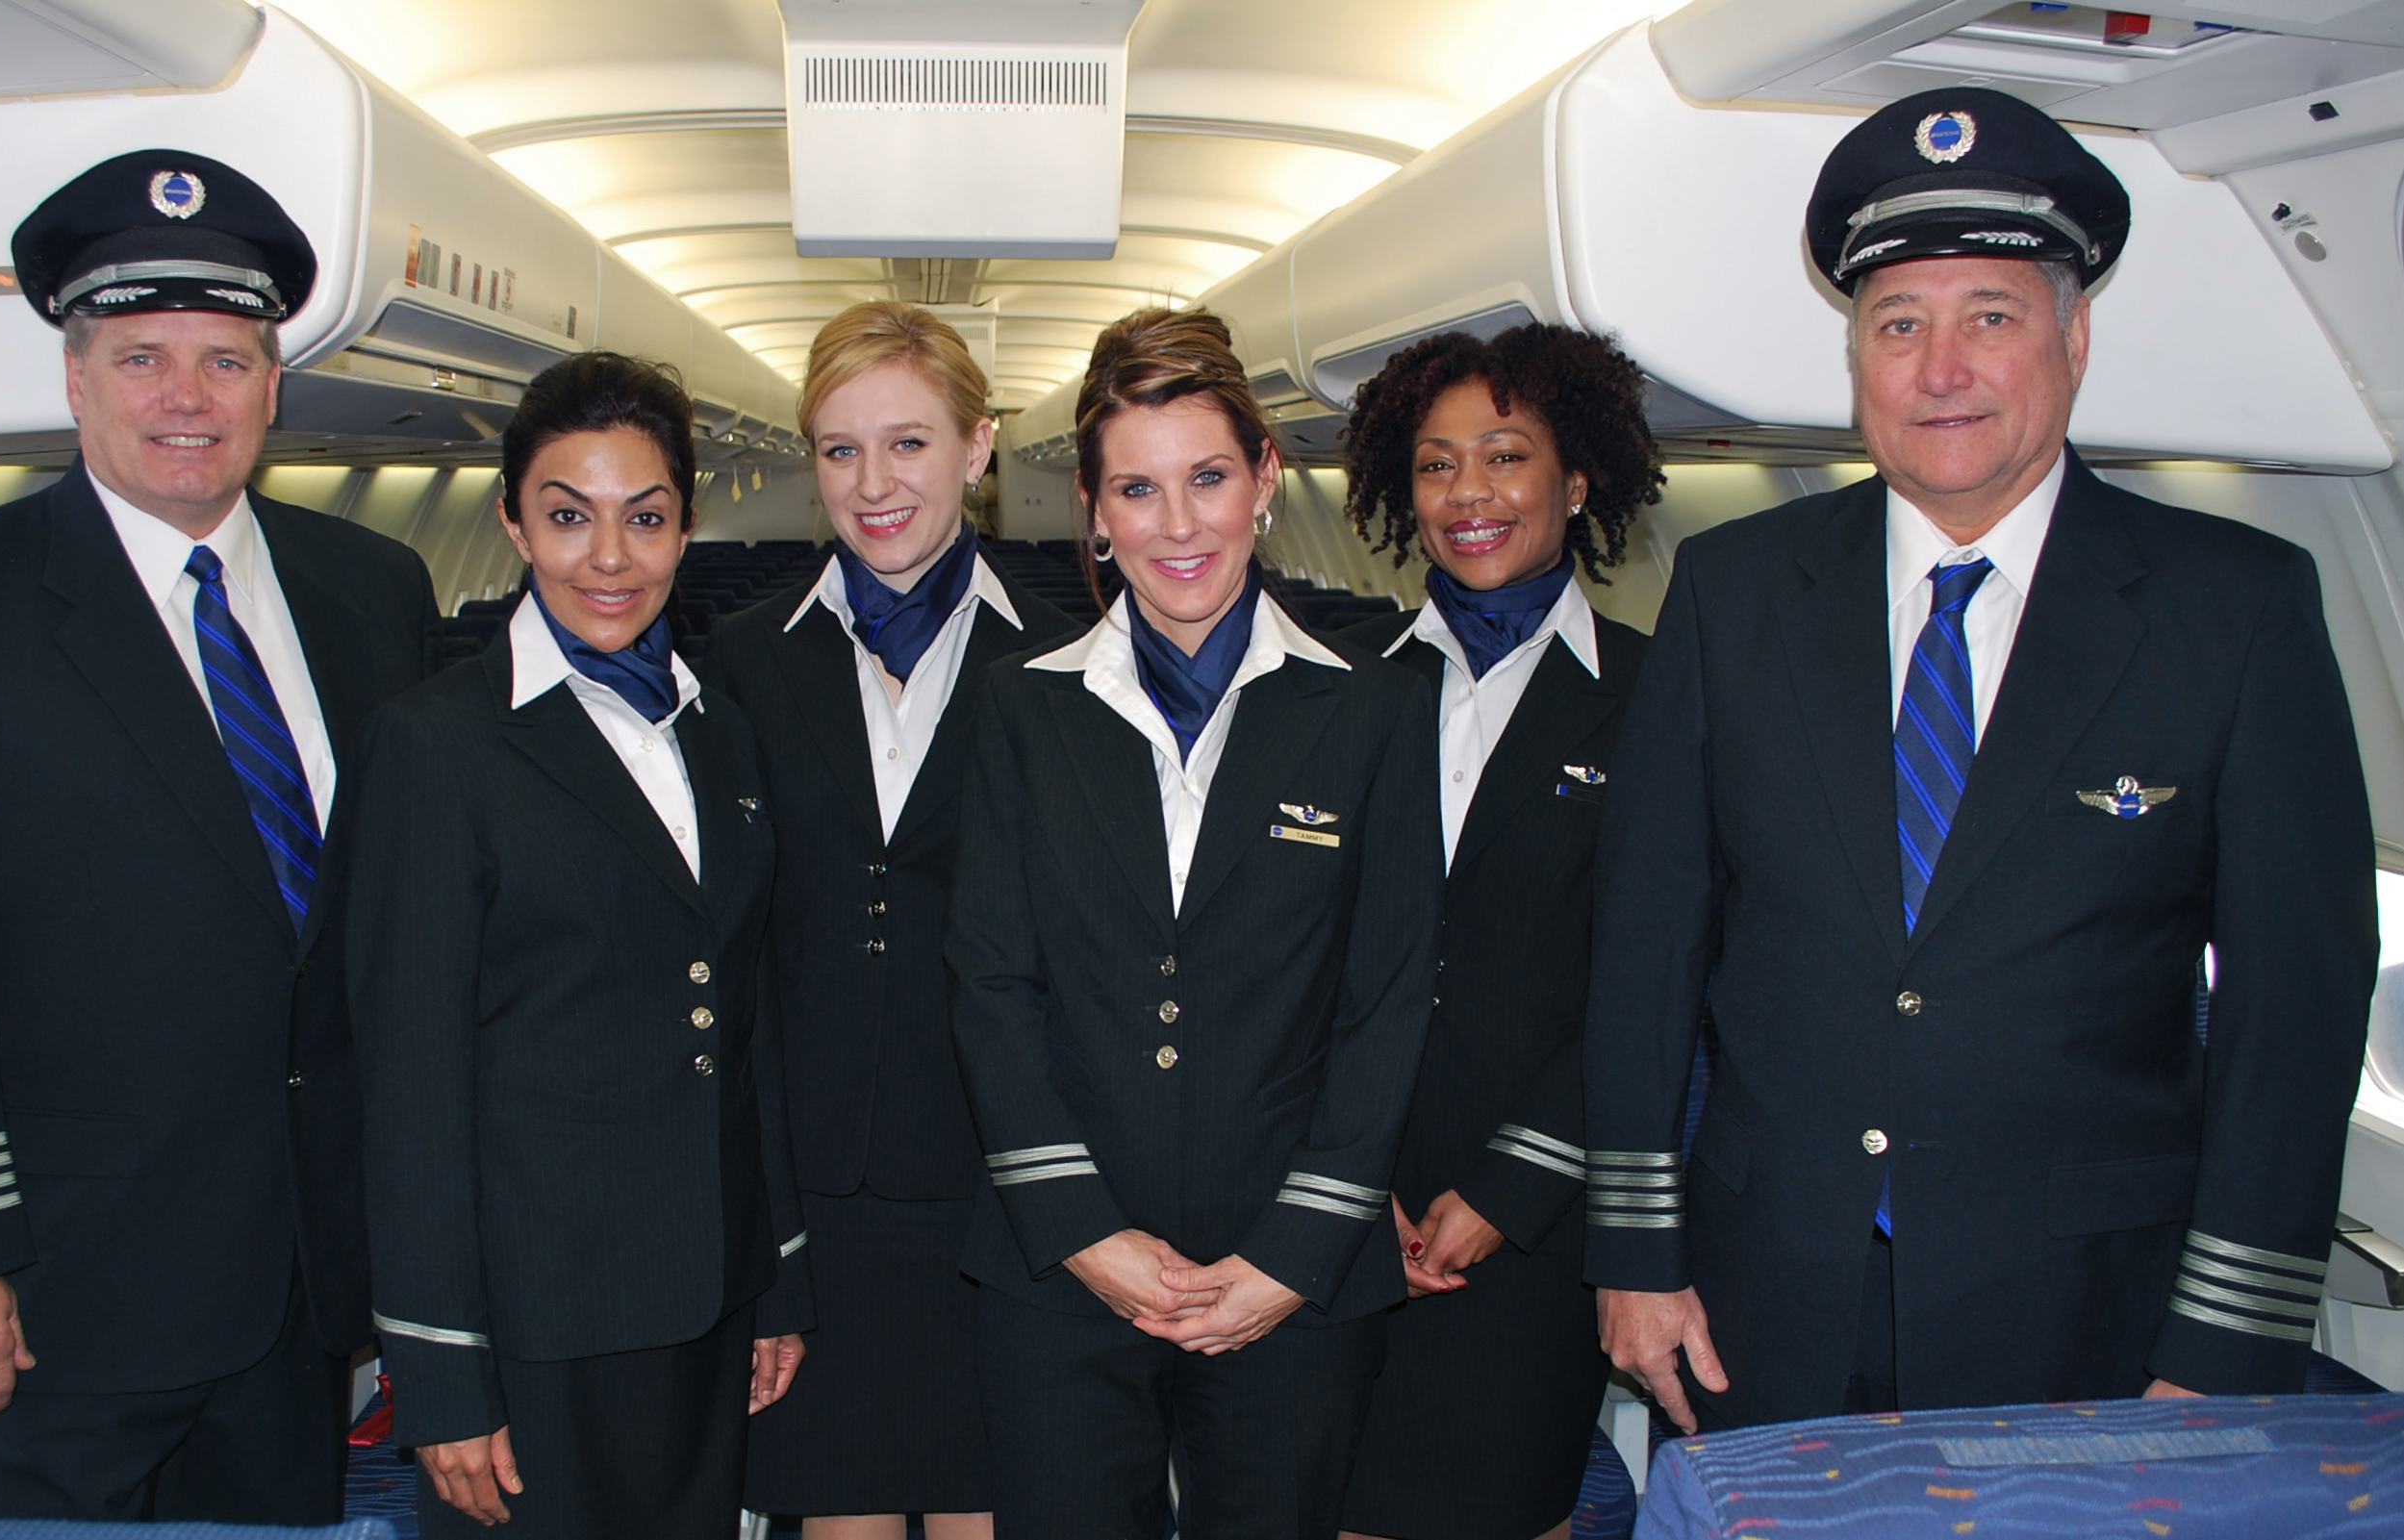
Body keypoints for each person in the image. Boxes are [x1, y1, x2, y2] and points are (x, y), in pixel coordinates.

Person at [1583, 87, 2376, 1431]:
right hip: (1760, 1283)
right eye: (1898, 324)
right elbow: (1648, 938)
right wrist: (1634, 1249)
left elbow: (2294, 1001)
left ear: (2075, 339)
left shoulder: (2234, 605)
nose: (1938, 369)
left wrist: (2228, 1335)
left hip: (2085, 1303)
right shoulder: (1734, 588)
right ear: (1855, 356)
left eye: (1991, 318)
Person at [0, 149, 440, 1519]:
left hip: (306, 1281)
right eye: (142, 359)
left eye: (225, 360)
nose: (187, 398)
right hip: (53, 1298)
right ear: (75, 378)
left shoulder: (372, 589)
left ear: (273, 385)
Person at [948, 306, 1441, 1539]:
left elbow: (1385, 1000)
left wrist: (1291, 1252)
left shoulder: (1372, 709)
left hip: (1291, 1274)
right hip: (1060, 1269)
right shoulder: (1019, 709)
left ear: (1265, 479)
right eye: (1137, 488)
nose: (1177, 525)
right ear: (1094, 509)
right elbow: (992, 985)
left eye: (1208, 478)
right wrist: (1084, 1232)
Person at [345, 350, 812, 1538]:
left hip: (707, 1294)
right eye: (568, 516)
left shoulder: (719, 729)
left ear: (685, 527)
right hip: (532, 1317)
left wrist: (776, 1274)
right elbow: (408, 1083)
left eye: (644, 517)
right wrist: (439, 1365)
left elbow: (746, 1020)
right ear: (512, 522)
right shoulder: (437, 744)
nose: (609, 556)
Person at [708, 301, 1077, 1540]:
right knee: (839, 1516)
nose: (873, 485)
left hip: (1001, 1180)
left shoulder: (1071, 664)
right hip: (813, 1188)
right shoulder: (740, 660)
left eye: (908, 443)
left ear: (978, 447)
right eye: (840, 448)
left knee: (990, 1511)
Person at [1330, 323, 1660, 1540]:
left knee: (1509, 1506)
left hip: (1537, 1210)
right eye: (1435, 463)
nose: (1467, 492)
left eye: (1505, 456)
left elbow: (1655, 977)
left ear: (1575, 483)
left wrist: (1510, 1183)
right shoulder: (1340, 683)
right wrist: (1342, 1177)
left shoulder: (1654, 693)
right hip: (1341, 1192)